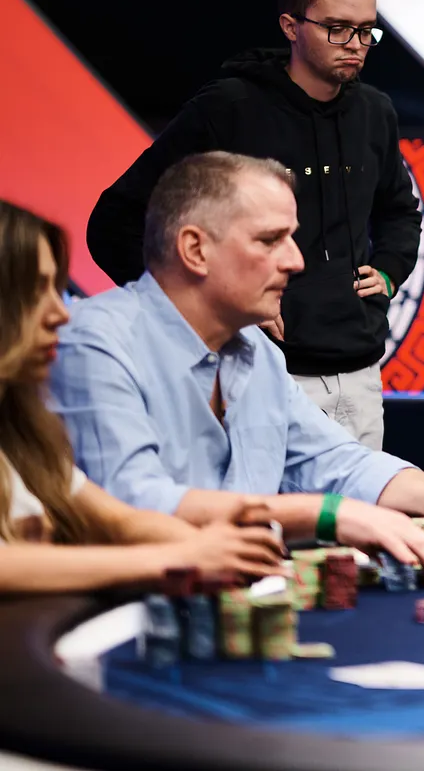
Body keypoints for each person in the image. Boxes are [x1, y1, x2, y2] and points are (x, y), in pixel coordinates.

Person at [54, 152, 424, 580]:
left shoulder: (258, 353)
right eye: (270, 240)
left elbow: (338, 463)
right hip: (115, 626)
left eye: (292, 239)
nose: (295, 261)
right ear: (195, 250)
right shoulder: (95, 341)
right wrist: (325, 515)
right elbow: (132, 503)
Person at [86, 0, 419, 449]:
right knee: (257, 504)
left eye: (366, 30)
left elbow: (399, 210)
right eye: (337, 29)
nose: (355, 45)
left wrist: (390, 269)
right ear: (290, 26)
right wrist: (203, 307)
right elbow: (116, 222)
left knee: (364, 502)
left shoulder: (376, 111)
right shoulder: (230, 108)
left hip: (363, 373)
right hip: (255, 371)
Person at [1, 199, 285, 593]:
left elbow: (121, 520)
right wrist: (177, 557)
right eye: (35, 292)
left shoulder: (21, 431)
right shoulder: (96, 340)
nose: (60, 313)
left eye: (56, 289)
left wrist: (221, 550)